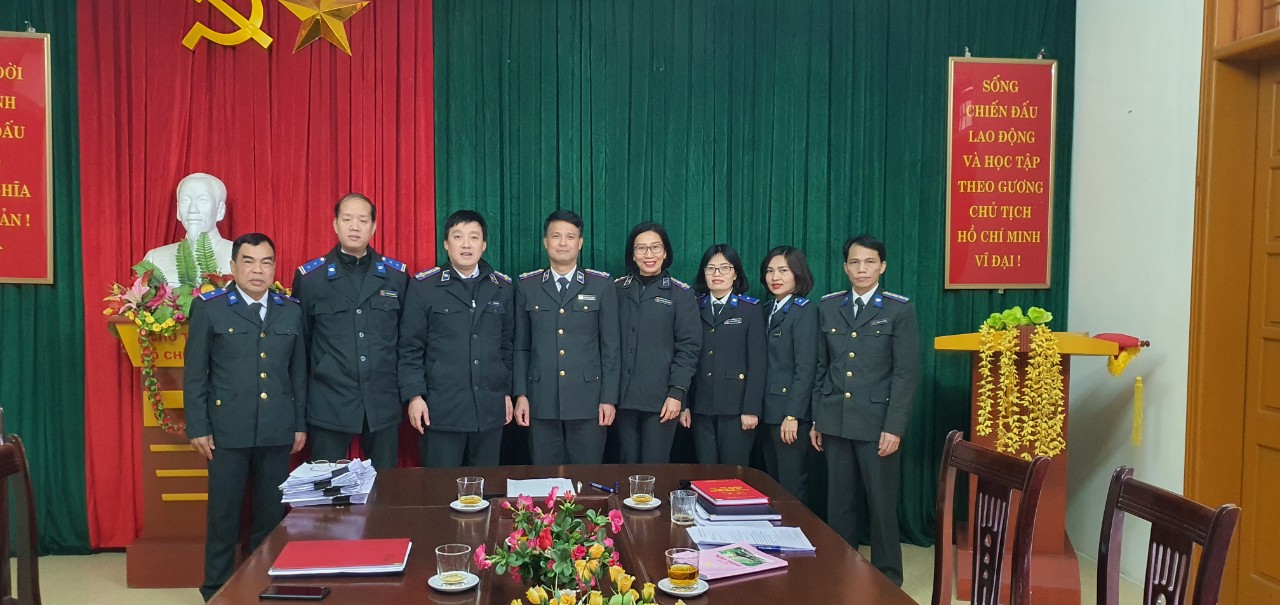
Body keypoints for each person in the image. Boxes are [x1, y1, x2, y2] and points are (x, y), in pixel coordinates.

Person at [184, 233, 307, 601]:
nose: (258, 270)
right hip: (227, 432)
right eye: (249, 262)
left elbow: (298, 374)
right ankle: (215, 591)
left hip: (276, 429)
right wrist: (199, 426)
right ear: (233, 267)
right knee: (224, 518)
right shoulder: (210, 308)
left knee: (270, 519)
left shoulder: (291, 310)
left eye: (266, 262)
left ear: (274, 268)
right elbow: (195, 374)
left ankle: (263, 587)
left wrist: (299, 423)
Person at [810, 234, 921, 587]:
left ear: (882, 266)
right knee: (839, 504)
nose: (862, 269)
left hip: (877, 424)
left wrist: (895, 427)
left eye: (869, 262)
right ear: (845, 267)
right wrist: (817, 418)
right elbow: (821, 366)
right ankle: (841, 569)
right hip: (834, 419)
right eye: (855, 262)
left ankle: (888, 578)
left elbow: (905, 373)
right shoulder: (829, 306)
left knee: (881, 505)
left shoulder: (898, 309)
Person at [292, 193, 408, 470]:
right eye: (347, 219)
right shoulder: (312, 278)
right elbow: (301, 346)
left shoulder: (396, 276)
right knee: (326, 487)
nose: (354, 226)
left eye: (362, 220)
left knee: (385, 487)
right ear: (335, 224)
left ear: (374, 227)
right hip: (329, 400)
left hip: (382, 399)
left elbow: (406, 341)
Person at [398, 210, 514, 467]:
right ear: (446, 243)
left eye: (474, 237)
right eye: (458, 236)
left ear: (484, 245)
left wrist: (506, 392)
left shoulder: (502, 287)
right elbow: (410, 347)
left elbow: (507, 346)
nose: (466, 244)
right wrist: (415, 396)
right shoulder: (424, 286)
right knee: (439, 487)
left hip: (489, 410)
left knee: (487, 486)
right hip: (441, 411)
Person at [513, 209, 620, 465]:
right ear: (545, 241)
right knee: (544, 476)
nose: (563, 243)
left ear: (580, 243)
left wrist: (608, 398)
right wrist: (521, 394)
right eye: (556, 236)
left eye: (570, 237)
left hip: (588, 399)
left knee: (586, 476)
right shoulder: (527, 285)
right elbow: (520, 347)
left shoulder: (601, 285)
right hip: (541, 399)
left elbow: (611, 347)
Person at [613, 222, 701, 463]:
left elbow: (689, 348)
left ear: (665, 252)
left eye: (655, 247)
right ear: (632, 254)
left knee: (654, 468)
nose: (648, 254)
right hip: (621, 398)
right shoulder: (617, 290)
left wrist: (677, 393)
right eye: (641, 248)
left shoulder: (681, 294)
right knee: (625, 465)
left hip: (662, 399)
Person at [680, 243, 765, 467]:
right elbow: (684, 357)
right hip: (700, 406)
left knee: (733, 473)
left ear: (735, 273)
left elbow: (758, 364)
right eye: (711, 268)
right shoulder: (693, 306)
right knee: (705, 472)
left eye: (724, 268)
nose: (717, 274)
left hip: (736, 408)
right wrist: (684, 403)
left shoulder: (750, 309)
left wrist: (751, 409)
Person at [757, 246, 818, 503]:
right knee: (772, 484)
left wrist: (793, 415)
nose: (775, 277)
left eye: (783, 270)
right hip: (766, 412)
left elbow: (806, 368)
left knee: (791, 486)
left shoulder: (804, 311)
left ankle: (796, 528)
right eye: (770, 271)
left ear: (797, 273)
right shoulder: (765, 309)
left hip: (788, 415)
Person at [143, 172, 234, 286]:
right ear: (178, 210)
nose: (193, 209)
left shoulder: (240, 256)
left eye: (203, 200)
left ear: (220, 210)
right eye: (185, 201)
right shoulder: (155, 258)